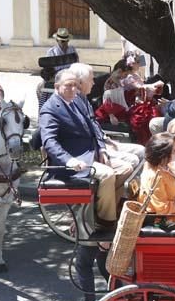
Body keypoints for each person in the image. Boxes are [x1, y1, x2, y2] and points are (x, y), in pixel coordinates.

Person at [40, 69, 119, 223]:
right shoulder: (50, 109)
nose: (73, 89)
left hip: (89, 154)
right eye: (69, 85)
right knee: (107, 174)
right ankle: (106, 221)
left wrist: (102, 148)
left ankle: (100, 209)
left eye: (76, 85)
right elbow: (49, 142)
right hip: (74, 161)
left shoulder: (73, 101)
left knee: (126, 168)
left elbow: (91, 125)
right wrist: (70, 161)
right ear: (57, 86)